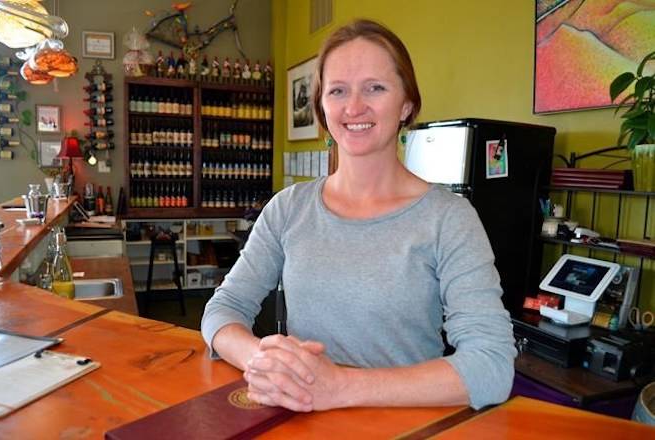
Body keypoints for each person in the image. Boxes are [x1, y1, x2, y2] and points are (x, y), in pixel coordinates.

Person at [201, 19, 516, 412]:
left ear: (407, 104)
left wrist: (341, 387)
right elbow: (223, 309)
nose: (353, 107)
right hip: (302, 420)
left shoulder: (449, 219)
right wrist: (263, 361)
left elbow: (492, 365)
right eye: (337, 91)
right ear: (322, 107)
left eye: (375, 88)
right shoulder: (287, 209)